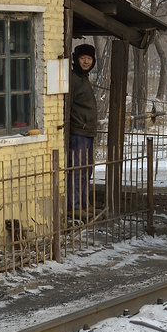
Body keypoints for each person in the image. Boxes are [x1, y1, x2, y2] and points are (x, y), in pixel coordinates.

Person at [68, 43, 99, 217]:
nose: (86, 62)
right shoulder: (73, 78)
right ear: (76, 59)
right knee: (77, 170)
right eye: (82, 58)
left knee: (87, 169)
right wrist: (80, 122)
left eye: (89, 58)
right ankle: (74, 207)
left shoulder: (83, 77)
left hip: (87, 132)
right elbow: (68, 105)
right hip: (78, 132)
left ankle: (85, 204)